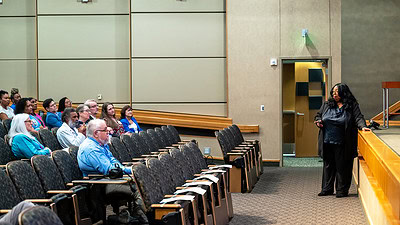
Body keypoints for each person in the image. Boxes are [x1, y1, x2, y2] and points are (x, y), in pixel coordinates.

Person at [77, 119, 148, 223]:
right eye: (105, 130)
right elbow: (109, 170)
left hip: (109, 179)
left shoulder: (100, 144)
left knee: (139, 179)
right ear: (96, 133)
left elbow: (114, 162)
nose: (108, 132)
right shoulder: (91, 148)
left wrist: (128, 169)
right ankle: (147, 218)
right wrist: (130, 170)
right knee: (138, 185)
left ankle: (137, 215)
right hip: (99, 184)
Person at [314, 83, 370, 198]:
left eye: (337, 92)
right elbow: (318, 115)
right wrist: (319, 120)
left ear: (343, 93)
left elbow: (358, 117)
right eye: (333, 92)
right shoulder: (327, 104)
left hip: (344, 141)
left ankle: (342, 190)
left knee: (342, 166)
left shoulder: (351, 105)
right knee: (328, 166)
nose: (334, 94)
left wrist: (363, 126)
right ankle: (327, 189)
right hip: (327, 140)